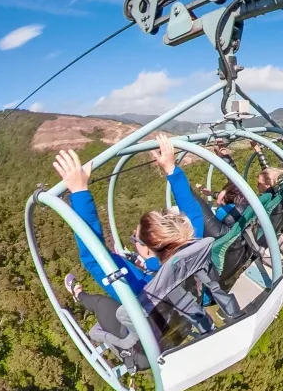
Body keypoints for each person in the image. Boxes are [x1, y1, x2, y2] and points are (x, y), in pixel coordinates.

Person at [52, 136, 240, 370]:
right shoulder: (193, 252)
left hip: (154, 334)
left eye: (137, 238)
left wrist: (80, 192)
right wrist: (170, 167)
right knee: (123, 264)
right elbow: (191, 210)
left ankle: (78, 295)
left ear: (149, 248)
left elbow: (92, 256)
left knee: (105, 297)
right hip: (182, 316)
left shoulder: (141, 290)